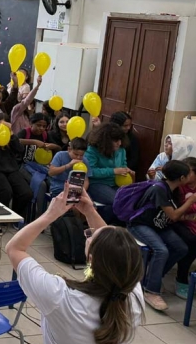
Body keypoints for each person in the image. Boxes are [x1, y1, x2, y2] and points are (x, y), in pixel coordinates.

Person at [6, 188, 144, 344]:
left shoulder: (60, 296)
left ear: (91, 259)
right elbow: (113, 249)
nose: (91, 233)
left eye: (91, 235)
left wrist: (50, 214)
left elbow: (14, 248)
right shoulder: (133, 295)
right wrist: (90, 211)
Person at [126, 160, 196, 310]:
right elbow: (173, 216)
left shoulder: (175, 188)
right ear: (182, 178)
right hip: (141, 225)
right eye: (188, 173)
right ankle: (151, 291)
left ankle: (151, 278)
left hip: (159, 226)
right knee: (161, 250)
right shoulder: (159, 189)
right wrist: (190, 201)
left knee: (181, 248)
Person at [0, 114, 32, 235]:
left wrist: (11, 135)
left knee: (26, 192)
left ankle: (16, 216)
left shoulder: (10, 137)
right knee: (5, 191)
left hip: (11, 169)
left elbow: (20, 151)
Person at [84, 122, 133, 224]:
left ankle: (113, 225)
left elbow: (123, 164)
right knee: (117, 201)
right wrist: (113, 171)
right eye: (115, 140)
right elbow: (91, 171)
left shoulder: (121, 150)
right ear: (106, 140)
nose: (119, 143)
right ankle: (100, 223)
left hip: (116, 183)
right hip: (97, 183)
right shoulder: (92, 150)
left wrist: (126, 171)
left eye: (120, 140)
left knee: (129, 201)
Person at [173, 158, 196, 299]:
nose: (184, 175)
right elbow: (173, 214)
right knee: (192, 241)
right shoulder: (178, 187)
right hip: (178, 222)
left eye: (188, 172)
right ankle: (181, 278)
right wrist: (191, 202)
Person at [109, 112, 140, 176]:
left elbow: (134, 159)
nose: (128, 128)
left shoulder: (132, 138)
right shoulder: (105, 137)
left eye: (130, 125)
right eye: (125, 126)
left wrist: (124, 170)